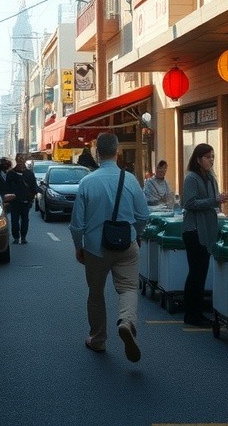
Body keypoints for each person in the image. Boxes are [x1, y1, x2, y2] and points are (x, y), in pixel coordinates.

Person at [70, 132, 150, 362]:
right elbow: (143, 215)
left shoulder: (87, 182)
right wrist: (137, 235)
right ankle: (126, 321)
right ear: (117, 152)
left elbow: (77, 224)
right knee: (128, 288)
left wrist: (79, 246)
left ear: (97, 153)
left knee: (96, 294)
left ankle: (98, 339)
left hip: (96, 248)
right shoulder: (130, 180)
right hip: (127, 244)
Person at [181, 143, 228, 327]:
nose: (211, 160)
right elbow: (189, 203)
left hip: (207, 229)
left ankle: (197, 312)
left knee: (201, 273)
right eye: (208, 157)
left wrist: (218, 200)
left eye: (212, 157)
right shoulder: (191, 178)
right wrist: (214, 200)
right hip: (194, 230)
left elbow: (212, 201)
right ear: (198, 159)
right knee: (196, 272)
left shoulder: (210, 177)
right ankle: (191, 314)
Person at [5, 153, 38, 244]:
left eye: (21, 159)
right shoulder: (11, 173)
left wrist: (31, 198)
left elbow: (33, 187)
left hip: (25, 200)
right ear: (16, 160)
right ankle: (17, 237)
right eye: (19, 159)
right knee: (15, 220)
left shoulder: (29, 174)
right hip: (15, 201)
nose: (20, 161)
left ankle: (22, 237)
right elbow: (7, 188)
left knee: (24, 219)